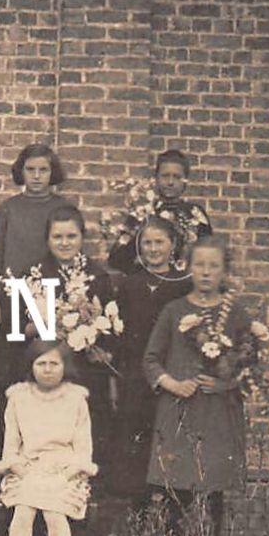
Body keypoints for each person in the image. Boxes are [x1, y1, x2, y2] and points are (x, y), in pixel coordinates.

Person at [142, 236, 252, 532]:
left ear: (225, 271)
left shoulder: (236, 314)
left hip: (217, 413)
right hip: (179, 412)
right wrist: (174, 385)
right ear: (188, 267)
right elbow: (151, 360)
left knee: (212, 494)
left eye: (213, 266)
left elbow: (252, 365)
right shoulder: (173, 310)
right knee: (176, 495)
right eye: (199, 265)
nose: (205, 272)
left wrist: (225, 385)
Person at [30, 204, 130, 485]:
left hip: (86, 370)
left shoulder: (97, 276)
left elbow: (109, 323)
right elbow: (26, 326)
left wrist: (93, 338)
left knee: (83, 435)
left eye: (71, 237)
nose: (64, 243)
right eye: (57, 237)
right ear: (47, 239)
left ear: (82, 238)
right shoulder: (36, 274)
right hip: (49, 369)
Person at [0, 339, 96, 536]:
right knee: (25, 510)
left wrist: (68, 472)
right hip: (26, 468)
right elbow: (11, 444)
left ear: (65, 366)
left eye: (54, 363)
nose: (48, 369)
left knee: (53, 513)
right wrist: (19, 468)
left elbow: (83, 446)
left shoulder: (76, 399)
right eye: (41, 363)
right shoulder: (18, 397)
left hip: (66, 472)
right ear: (31, 366)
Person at [109, 216, 194, 507]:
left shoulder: (183, 284)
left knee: (168, 440)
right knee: (137, 441)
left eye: (160, 242)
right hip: (134, 375)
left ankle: (173, 507)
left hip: (169, 373)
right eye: (147, 242)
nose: (153, 249)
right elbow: (118, 328)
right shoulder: (131, 284)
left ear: (173, 246)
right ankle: (140, 512)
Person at [0, 142, 76, 278]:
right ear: (21, 171)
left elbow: (74, 252)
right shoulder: (8, 208)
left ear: (52, 172)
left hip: (53, 285)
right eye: (30, 169)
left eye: (43, 170)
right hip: (14, 285)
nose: (36, 176)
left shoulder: (64, 207)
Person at [148, 149, 213, 272]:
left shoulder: (195, 214)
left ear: (185, 181)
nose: (170, 182)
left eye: (177, 177)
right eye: (165, 176)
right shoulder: (144, 212)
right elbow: (118, 260)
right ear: (156, 178)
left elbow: (208, 257)